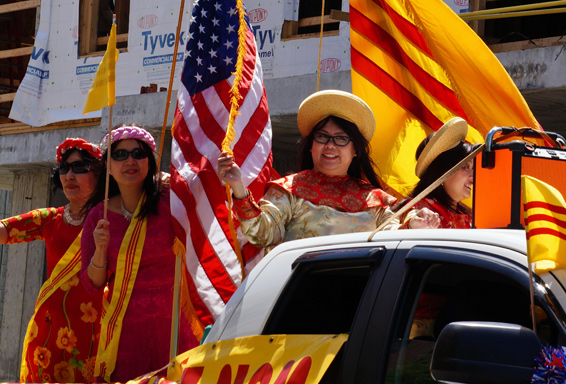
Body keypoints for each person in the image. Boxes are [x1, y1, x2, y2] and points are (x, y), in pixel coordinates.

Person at [218, 89, 437, 248]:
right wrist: (238, 187)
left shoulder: (377, 200)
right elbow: (262, 234)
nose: (330, 145)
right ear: (311, 146)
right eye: (322, 137)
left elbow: (393, 238)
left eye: (341, 139)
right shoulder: (287, 190)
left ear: (355, 151)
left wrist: (414, 224)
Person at [80, 125, 198, 382]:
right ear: (107, 166)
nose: (130, 160)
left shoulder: (171, 200)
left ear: (150, 161)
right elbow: (92, 285)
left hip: (175, 326)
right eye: (120, 155)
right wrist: (100, 251)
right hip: (125, 331)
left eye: (138, 153)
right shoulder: (97, 217)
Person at [0, 138, 102, 383]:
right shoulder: (50, 218)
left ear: (99, 174)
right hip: (48, 333)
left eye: (79, 168)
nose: (69, 175)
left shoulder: (112, 221)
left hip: (96, 332)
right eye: (64, 169)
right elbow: (5, 229)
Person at [396, 117, 476, 230]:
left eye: (473, 168)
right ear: (443, 172)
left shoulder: (467, 217)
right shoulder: (420, 213)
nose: (473, 177)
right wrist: (412, 225)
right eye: (466, 167)